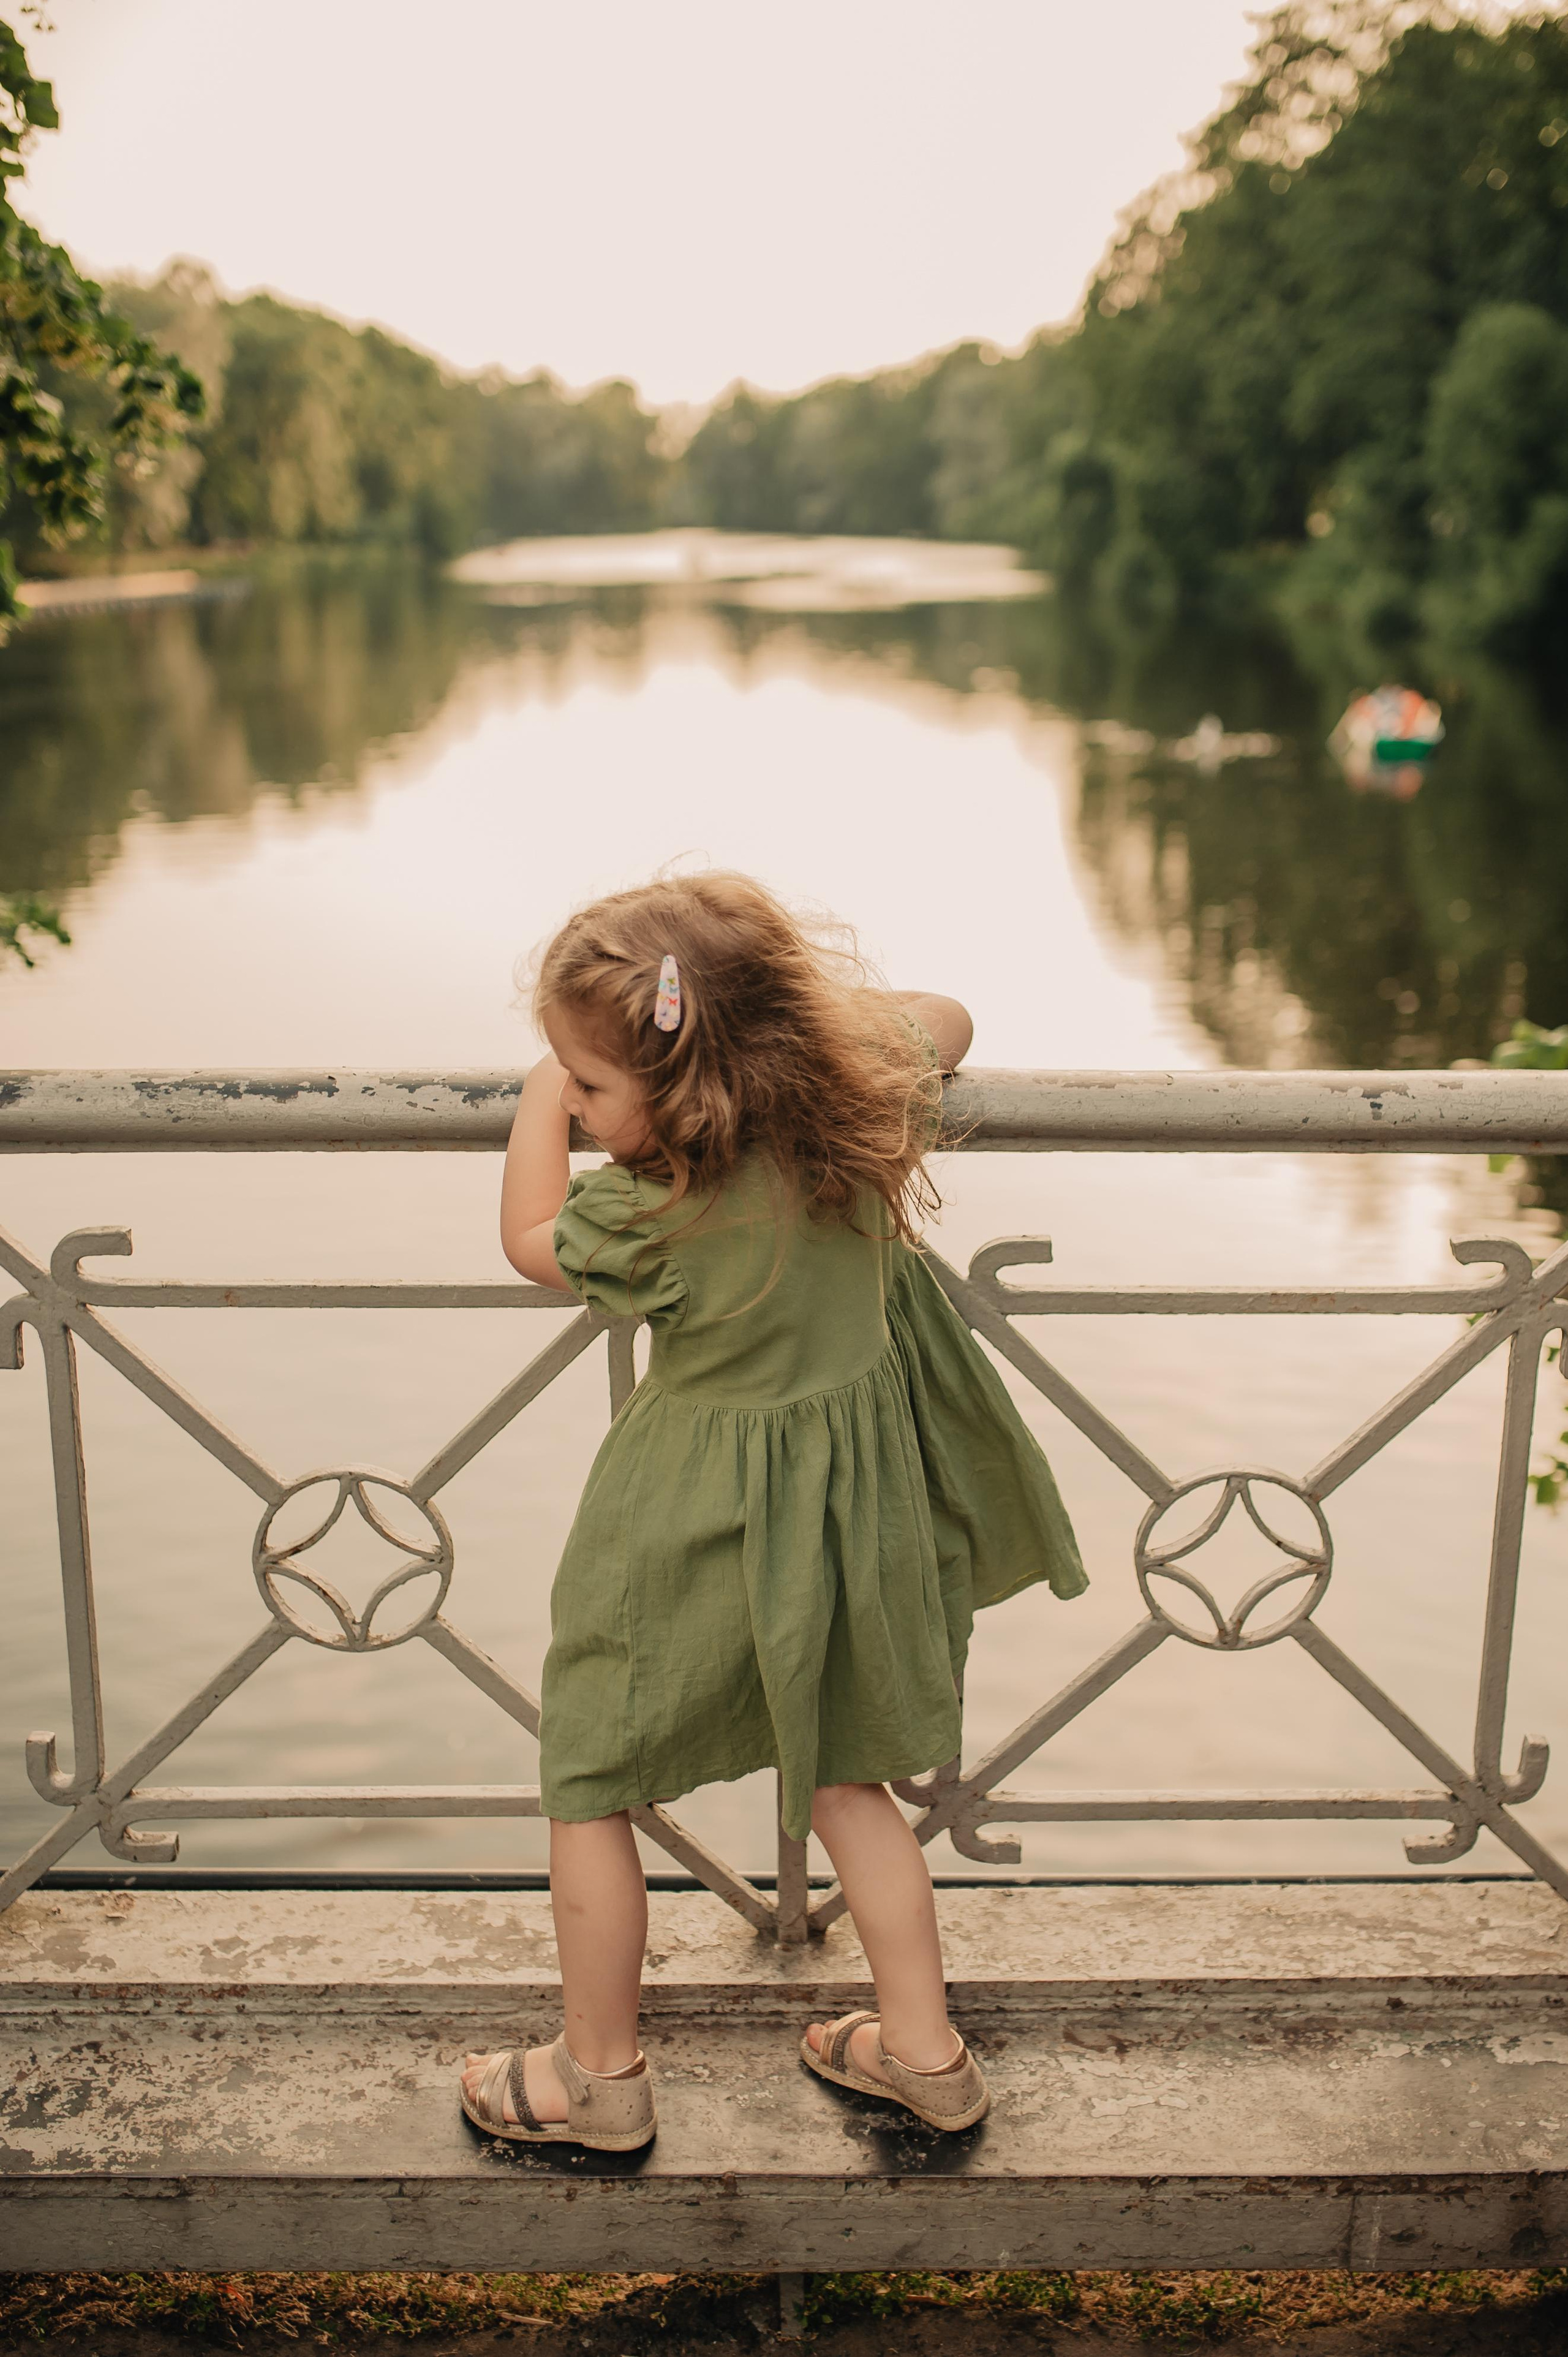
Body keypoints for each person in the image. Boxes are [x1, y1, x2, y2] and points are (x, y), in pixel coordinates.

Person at [459, 872, 1085, 2152]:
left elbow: (528, 1234)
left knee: (588, 1777)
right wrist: (802, 1040)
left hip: (686, 1524)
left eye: (590, 1085)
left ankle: (599, 2077)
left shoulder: (655, 1208)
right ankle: (926, 2054)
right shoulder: (849, 1120)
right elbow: (947, 1016)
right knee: (852, 1779)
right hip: (858, 1516)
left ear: (678, 1093)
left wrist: (533, 1099)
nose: (577, 1103)